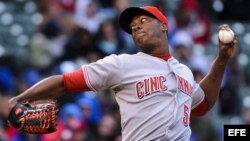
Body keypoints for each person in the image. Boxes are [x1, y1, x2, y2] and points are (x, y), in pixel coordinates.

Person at [8, 6, 237, 141]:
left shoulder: (184, 71)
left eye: (143, 21)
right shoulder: (122, 64)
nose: (136, 26)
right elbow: (65, 82)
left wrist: (222, 59)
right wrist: (22, 98)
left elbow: (203, 104)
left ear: (164, 26)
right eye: (133, 26)